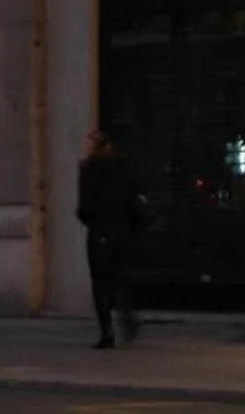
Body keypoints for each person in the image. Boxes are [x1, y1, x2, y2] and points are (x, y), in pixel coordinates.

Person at [75, 129, 143, 348]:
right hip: (122, 231)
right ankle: (128, 318)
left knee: (101, 283)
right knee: (119, 278)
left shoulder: (90, 169)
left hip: (100, 230)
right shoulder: (124, 167)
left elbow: (85, 206)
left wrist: (89, 218)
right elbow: (136, 196)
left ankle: (107, 332)